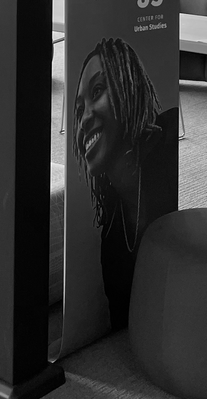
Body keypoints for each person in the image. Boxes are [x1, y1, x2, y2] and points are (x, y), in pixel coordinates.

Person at [71, 37, 178, 329]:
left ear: (128, 86)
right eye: (79, 110)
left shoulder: (167, 143)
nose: (85, 119)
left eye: (98, 90)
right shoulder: (111, 237)